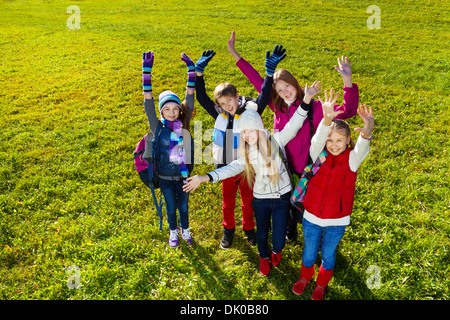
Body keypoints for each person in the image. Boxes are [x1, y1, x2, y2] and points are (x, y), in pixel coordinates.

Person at [227, 31, 360, 241]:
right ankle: (290, 229)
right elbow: (257, 80)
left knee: (309, 199)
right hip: (284, 165)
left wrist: (347, 81)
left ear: (294, 83)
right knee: (287, 199)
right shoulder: (276, 107)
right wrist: (235, 54)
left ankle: (310, 228)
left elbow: (349, 110)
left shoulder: (316, 107)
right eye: (279, 90)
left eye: (287, 86)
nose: (285, 92)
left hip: (310, 163)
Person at [183, 79, 321, 276]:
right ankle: (264, 257)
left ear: (258, 126)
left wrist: (306, 99)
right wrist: (204, 177)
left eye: (249, 131)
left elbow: (296, 122)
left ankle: (276, 251)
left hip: (282, 199)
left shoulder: (277, 140)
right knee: (263, 235)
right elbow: (229, 169)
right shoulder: (245, 154)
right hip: (260, 200)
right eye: (243, 133)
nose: (247, 136)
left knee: (279, 238)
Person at [194, 45, 286, 249]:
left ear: (237, 96)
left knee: (248, 201)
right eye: (223, 102)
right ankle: (228, 231)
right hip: (225, 168)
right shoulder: (219, 114)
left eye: (230, 100)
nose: (228, 106)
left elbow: (263, 96)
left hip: (247, 167)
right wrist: (198, 74)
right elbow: (201, 97)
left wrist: (269, 74)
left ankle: (248, 229)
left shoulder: (250, 112)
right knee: (227, 202)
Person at [291, 89, 375, 300]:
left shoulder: (352, 161)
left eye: (340, 141)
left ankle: (321, 283)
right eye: (331, 141)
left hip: (337, 221)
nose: (334, 145)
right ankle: (305, 276)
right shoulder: (317, 155)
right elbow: (318, 139)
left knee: (328, 255)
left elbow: (363, 147)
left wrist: (367, 131)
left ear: (348, 141)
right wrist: (327, 118)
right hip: (311, 217)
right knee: (309, 252)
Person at [141, 51, 196, 248]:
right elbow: (148, 103)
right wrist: (146, 72)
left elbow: (189, 97)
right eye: (167, 109)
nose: (172, 113)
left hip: (183, 177)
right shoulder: (157, 127)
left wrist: (191, 71)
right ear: (161, 111)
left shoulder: (184, 124)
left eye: (175, 109)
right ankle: (173, 231)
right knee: (171, 208)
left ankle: (185, 229)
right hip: (164, 178)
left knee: (183, 206)